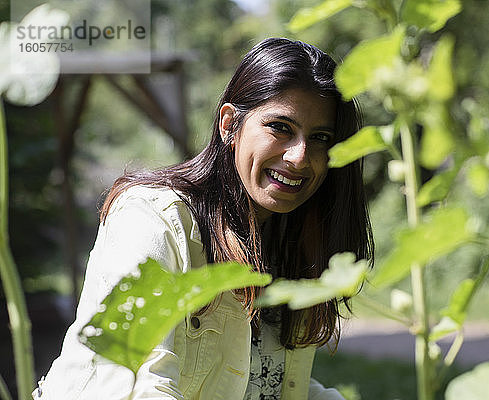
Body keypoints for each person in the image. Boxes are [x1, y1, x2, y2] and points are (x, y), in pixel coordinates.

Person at [34, 37, 374, 399]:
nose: (300, 157)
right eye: (280, 127)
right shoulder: (153, 221)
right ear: (229, 124)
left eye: (320, 138)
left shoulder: (293, 239)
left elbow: (269, 381)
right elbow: (139, 386)